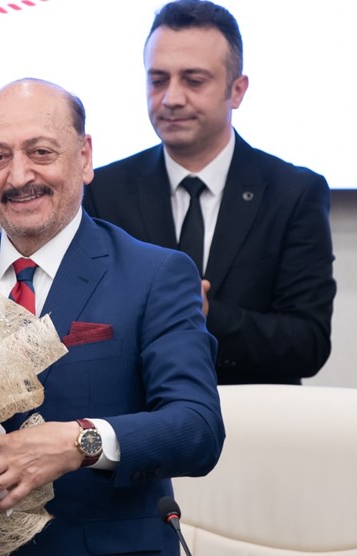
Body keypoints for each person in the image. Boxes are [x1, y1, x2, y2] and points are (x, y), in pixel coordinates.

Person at [0, 78, 224, 556]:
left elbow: (197, 428)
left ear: (84, 156)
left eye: (40, 152)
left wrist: (80, 441)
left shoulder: (154, 274)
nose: (19, 177)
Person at [84, 0, 336, 385]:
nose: (171, 98)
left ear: (237, 91)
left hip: (254, 416)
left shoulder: (294, 193)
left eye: (194, 80)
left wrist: (204, 315)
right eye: (158, 80)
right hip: (136, 415)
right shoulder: (102, 191)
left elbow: (308, 343)